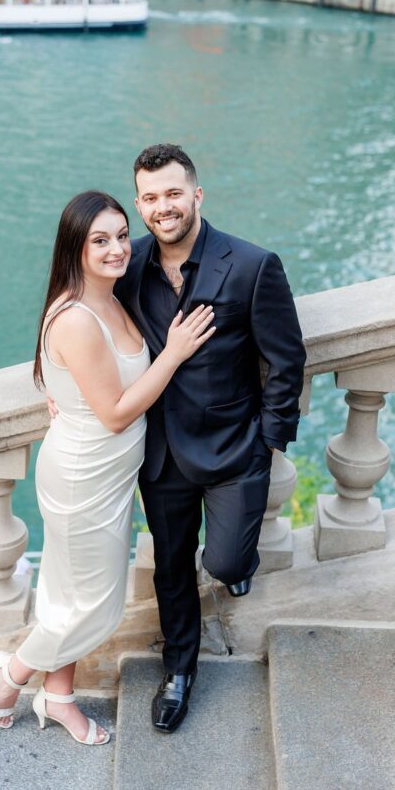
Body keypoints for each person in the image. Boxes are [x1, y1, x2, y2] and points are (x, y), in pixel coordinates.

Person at [0, 190, 214, 745]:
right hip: (85, 477)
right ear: (74, 248)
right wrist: (174, 352)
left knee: (66, 596)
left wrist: (58, 393)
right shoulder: (79, 318)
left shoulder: (111, 295)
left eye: (119, 235)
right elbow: (112, 414)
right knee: (94, 607)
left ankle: (58, 697)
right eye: (99, 240)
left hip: (103, 475)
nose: (116, 249)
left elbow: (68, 378)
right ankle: (8, 676)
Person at [114, 144, 305, 733]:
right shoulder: (128, 266)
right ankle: (178, 671)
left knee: (223, 562)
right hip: (162, 451)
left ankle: (235, 561)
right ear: (140, 204)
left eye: (173, 194)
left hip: (232, 449)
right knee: (170, 566)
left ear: (196, 195)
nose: (161, 207)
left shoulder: (251, 265)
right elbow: (83, 322)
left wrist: (269, 441)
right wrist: (56, 382)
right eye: (149, 197)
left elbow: (286, 358)